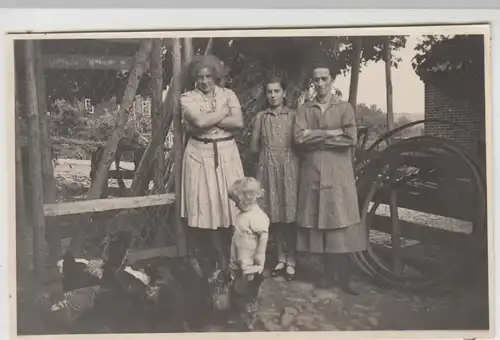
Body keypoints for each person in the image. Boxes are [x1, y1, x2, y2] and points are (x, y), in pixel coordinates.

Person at [293, 60, 367, 295]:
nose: (321, 83)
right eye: (317, 79)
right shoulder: (305, 109)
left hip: (338, 172)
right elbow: (298, 139)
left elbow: (350, 139)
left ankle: (344, 277)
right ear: (312, 82)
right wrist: (329, 133)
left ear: (332, 80)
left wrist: (314, 135)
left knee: (340, 221)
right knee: (318, 220)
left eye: (325, 78)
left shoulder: (344, 108)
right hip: (312, 171)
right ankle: (325, 275)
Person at [180, 54, 244, 274]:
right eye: (200, 77)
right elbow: (196, 121)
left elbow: (238, 122)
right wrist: (222, 112)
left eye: (209, 76)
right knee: (207, 207)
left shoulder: (229, 94)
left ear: (216, 76)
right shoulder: (187, 97)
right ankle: (215, 259)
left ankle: (234, 258)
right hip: (199, 155)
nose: (205, 81)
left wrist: (206, 119)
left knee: (230, 205)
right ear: (194, 78)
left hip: (227, 154)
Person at [250, 76, 299, 281]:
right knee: (275, 216)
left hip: (289, 167)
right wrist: (264, 160)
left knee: (291, 215)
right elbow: (253, 146)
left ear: (284, 93)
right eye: (269, 92)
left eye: (276, 91)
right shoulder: (262, 117)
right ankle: (280, 257)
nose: (273, 95)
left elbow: (300, 141)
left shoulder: (294, 115)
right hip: (268, 167)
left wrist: (289, 159)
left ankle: (292, 260)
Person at [227, 177, 270, 330]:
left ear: (249, 198)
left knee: (246, 285)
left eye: (236, 201)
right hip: (239, 255)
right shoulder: (242, 214)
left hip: (250, 259)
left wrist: (260, 253)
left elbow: (264, 235)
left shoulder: (258, 217)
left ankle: (249, 312)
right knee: (237, 281)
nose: (235, 205)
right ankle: (239, 311)